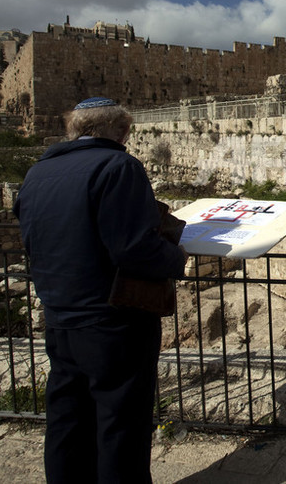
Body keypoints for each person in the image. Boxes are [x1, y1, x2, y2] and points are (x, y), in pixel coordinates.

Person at [13, 97, 187, 483]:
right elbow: (132, 247)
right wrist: (177, 258)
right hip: (113, 320)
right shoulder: (118, 166)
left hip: (59, 318)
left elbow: (29, 238)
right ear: (121, 130)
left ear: (72, 129)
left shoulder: (37, 173)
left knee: (67, 418)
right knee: (120, 422)